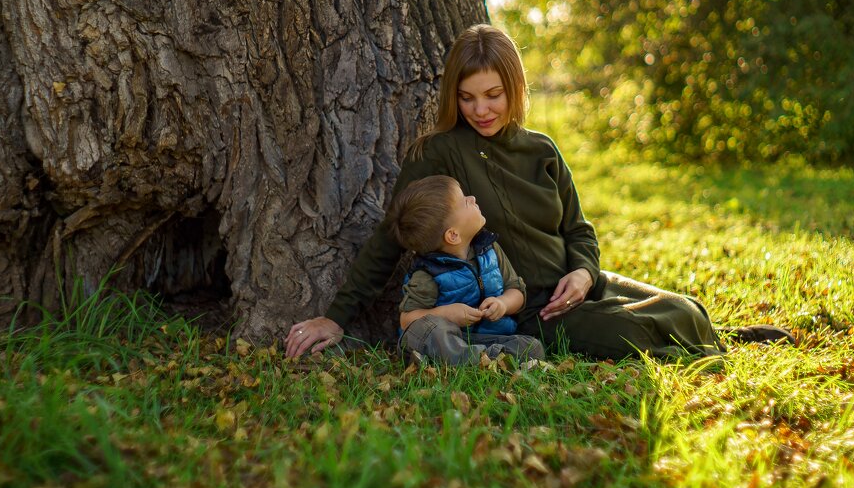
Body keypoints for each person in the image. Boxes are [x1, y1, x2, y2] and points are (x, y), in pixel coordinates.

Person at [285, 24, 793, 360]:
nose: (481, 110)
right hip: (527, 310)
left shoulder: (542, 150)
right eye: (466, 98)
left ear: (514, 89)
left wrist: (582, 272)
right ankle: (706, 345)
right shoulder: (437, 154)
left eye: (493, 95)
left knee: (686, 308)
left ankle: (714, 335)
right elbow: (388, 238)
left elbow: (578, 229)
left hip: (579, 286)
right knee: (638, 333)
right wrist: (337, 314)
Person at [389, 175, 545, 365]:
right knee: (433, 330)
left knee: (532, 347)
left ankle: (482, 360)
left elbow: (517, 291)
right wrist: (447, 314)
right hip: (445, 341)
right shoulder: (429, 272)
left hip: (484, 340)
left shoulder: (489, 250)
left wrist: (502, 303)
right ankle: (483, 362)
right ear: (453, 235)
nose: (472, 198)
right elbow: (407, 321)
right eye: (464, 202)